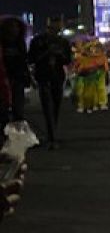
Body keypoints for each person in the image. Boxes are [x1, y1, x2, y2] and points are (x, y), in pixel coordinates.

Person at [27, 18, 71, 148]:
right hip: (43, 75)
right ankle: (51, 135)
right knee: (47, 105)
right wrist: (46, 54)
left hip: (57, 75)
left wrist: (59, 56)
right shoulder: (38, 41)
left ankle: (52, 132)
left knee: (56, 105)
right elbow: (31, 59)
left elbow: (67, 60)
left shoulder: (63, 42)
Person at [0, 17, 29, 130]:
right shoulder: (2, 43)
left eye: (16, 27)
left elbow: (23, 61)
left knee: (18, 110)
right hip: (3, 79)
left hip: (17, 79)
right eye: (11, 27)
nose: (14, 29)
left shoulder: (20, 44)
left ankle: (16, 135)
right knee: (3, 109)